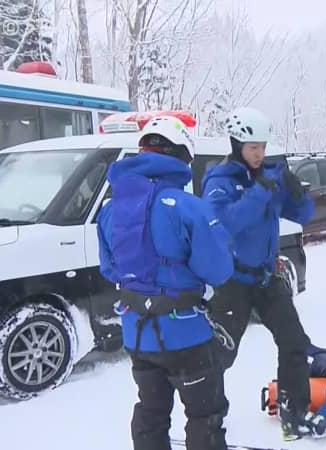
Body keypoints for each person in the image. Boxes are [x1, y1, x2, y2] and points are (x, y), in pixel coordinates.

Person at [97, 116, 234, 450]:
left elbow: (110, 269)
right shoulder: (188, 207)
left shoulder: (110, 211)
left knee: (151, 412)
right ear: (180, 159)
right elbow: (218, 270)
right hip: (186, 335)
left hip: (137, 333)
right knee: (205, 416)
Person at [200, 106, 326, 441]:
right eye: (252, 147)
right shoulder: (220, 181)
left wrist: (298, 196)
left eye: (262, 147)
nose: (259, 153)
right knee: (220, 354)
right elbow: (222, 225)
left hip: (267, 278)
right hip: (233, 281)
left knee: (294, 341)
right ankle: (208, 419)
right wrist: (259, 195)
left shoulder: (266, 177)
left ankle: (294, 411)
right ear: (236, 145)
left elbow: (303, 214)